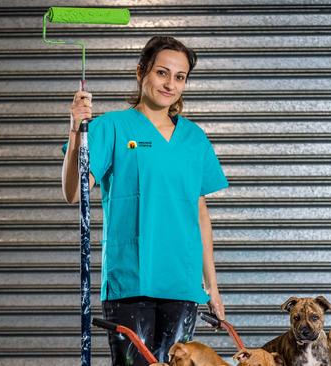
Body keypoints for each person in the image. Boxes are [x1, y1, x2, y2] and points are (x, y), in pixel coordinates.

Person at [61, 36, 228, 365]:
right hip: (131, 281)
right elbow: (74, 192)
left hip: (182, 282)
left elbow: (199, 214)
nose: (170, 84)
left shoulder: (194, 138)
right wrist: (75, 129)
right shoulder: (111, 126)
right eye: (162, 73)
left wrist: (213, 288)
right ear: (142, 73)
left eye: (180, 77)